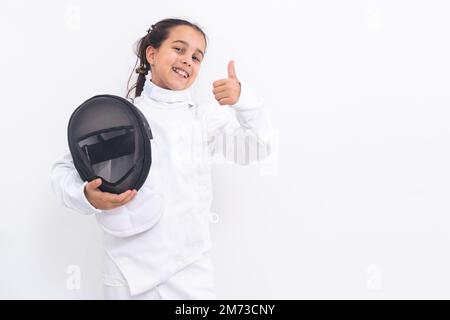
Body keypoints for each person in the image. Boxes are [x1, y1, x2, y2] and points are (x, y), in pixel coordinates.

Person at [51, 18, 273, 300]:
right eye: (179, 49)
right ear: (152, 54)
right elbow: (64, 169)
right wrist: (86, 195)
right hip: (127, 271)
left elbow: (258, 148)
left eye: (196, 57)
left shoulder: (203, 118)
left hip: (190, 271)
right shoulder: (122, 118)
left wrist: (245, 101)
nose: (187, 61)